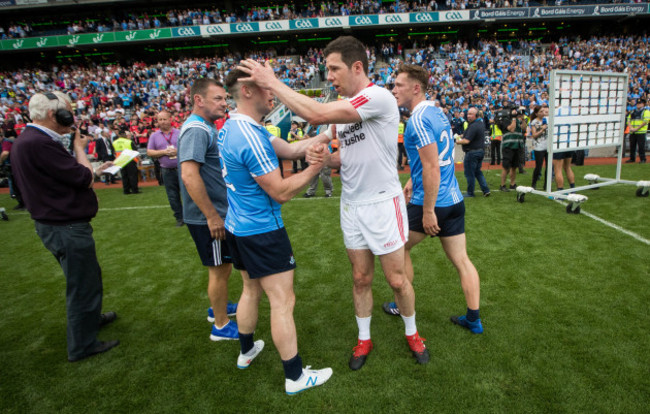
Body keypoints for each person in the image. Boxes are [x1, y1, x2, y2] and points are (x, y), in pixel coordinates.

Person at [237, 35, 429, 370]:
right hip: (352, 205)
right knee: (360, 279)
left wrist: (272, 82)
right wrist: (323, 158)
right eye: (326, 69)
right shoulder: (343, 111)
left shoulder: (377, 97)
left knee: (397, 280)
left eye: (334, 68)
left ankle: (413, 332)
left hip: (383, 203)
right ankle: (364, 338)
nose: (329, 76)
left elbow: (314, 113)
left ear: (357, 67)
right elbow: (345, 158)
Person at [221, 69, 333, 395]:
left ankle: (246, 351)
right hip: (262, 231)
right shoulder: (250, 136)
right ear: (246, 91)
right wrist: (316, 167)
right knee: (282, 301)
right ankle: (295, 377)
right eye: (266, 84)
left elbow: (289, 149)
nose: (273, 90)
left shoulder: (235, 127)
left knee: (249, 290)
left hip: (239, 227)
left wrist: (327, 133)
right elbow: (281, 192)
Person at [10, 91, 119, 362]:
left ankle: (89, 320)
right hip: (65, 226)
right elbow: (82, 177)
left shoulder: (29, 140)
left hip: (55, 223)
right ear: (52, 114)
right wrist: (80, 149)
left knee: (86, 277)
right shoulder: (39, 143)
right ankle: (82, 344)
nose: (71, 117)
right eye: (67, 111)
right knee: (83, 284)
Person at [390, 63, 483, 333]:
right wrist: (412, 179)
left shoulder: (417, 120)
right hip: (453, 201)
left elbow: (432, 166)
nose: (394, 89)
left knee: (400, 249)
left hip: (430, 203)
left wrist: (428, 209)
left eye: (399, 85)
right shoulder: (437, 113)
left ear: (415, 88)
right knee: (462, 260)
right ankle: (474, 319)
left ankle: (401, 305)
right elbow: (439, 157)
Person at [177, 78, 238, 341]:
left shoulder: (206, 127)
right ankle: (221, 325)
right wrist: (212, 216)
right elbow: (189, 176)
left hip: (214, 212)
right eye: (218, 98)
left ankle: (219, 308)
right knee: (218, 269)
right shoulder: (197, 130)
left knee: (223, 266)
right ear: (198, 100)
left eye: (225, 98)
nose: (224, 103)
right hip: (208, 216)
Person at [147, 110, 183, 226]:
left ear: (170, 119)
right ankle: (179, 218)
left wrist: (177, 151)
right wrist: (164, 152)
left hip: (182, 168)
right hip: (166, 170)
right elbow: (149, 152)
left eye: (164, 119)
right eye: (160, 120)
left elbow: (188, 147)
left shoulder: (179, 132)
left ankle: (191, 216)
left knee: (188, 193)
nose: (162, 122)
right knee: (172, 196)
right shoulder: (154, 136)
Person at [456, 107, 490, 197]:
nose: (468, 116)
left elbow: (467, 141)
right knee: (477, 172)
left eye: (471, 114)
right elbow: (468, 135)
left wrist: (457, 141)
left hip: (472, 152)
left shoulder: (473, 125)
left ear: (476, 115)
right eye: (468, 114)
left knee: (469, 173)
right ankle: (485, 189)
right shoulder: (479, 123)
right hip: (480, 151)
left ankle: (470, 192)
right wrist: (460, 135)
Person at [499, 107, 526, 192]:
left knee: (514, 167)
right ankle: (502, 185)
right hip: (508, 146)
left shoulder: (518, 120)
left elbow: (524, 129)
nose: (516, 111)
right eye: (514, 110)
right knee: (506, 167)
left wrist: (523, 118)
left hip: (517, 145)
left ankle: (512, 184)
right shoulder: (505, 120)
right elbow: (512, 129)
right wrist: (514, 118)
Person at [304, 124, 334, 198]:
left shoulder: (323, 126)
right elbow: (305, 138)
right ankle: (311, 191)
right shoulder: (310, 128)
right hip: (314, 154)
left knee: (325, 175)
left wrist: (309, 138)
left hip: (324, 153)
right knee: (313, 174)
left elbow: (322, 139)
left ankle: (328, 191)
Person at [529, 105, 549, 190]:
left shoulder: (547, 120)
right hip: (539, 147)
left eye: (544, 111)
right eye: (541, 111)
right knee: (539, 166)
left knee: (549, 167)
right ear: (536, 113)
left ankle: (546, 184)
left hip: (548, 147)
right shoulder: (534, 122)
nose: (543, 113)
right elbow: (534, 135)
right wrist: (542, 129)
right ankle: (534, 183)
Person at [626, 98, 649, 164]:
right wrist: (631, 128)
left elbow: (645, 121)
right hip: (633, 131)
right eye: (638, 103)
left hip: (641, 131)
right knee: (632, 145)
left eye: (640, 103)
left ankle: (643, 159)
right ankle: (632, 158)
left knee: (641, 146)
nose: (638, 105)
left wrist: (636, 128)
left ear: (643, 104)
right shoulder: (633, 111)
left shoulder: (646, 111)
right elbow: (628, 120)